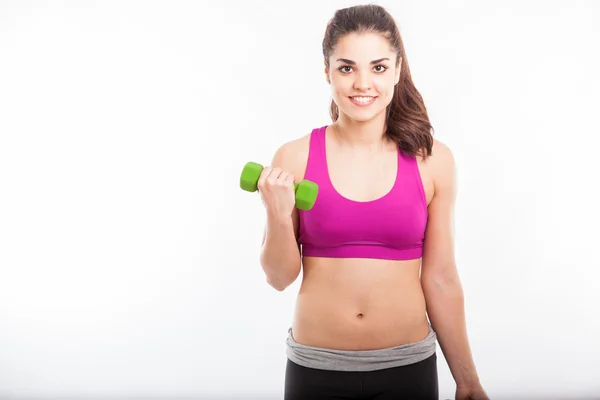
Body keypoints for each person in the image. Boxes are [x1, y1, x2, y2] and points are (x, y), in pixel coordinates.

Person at [257, 4, 489, 400]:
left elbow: (441, 279)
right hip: (316, 367)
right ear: (327, 72)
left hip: (407, 366)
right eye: (347, 68)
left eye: (378, 68)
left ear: (397, 71)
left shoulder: (432, 161)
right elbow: (279, 278)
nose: (363, 83)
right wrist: (279, 216)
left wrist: (467, 381)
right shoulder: (293, 158)